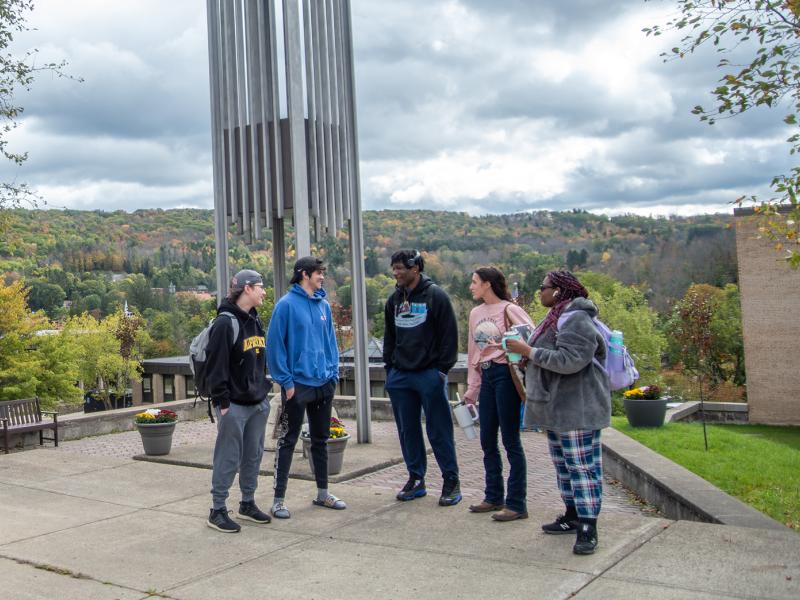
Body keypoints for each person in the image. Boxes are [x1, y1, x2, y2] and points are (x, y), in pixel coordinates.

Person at [504, 270, 611, 555]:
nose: (540, 292)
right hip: (555, 408)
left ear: (559, 291)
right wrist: (526, 355)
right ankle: (573, 515)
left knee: (582, 467)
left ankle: (588, 526)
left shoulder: (576, 318)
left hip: (578, 407)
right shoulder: (556, 316)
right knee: (564, 466)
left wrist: (528, 351)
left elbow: (572, 360)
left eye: (544, 287)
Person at [266, 256, 345, 519]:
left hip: (324, 384)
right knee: (288, 441)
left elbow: (330, 342)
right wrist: (286, 383)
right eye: (318, 272)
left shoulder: (323, 305)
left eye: (323, 272)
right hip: (297, 386)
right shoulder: (285, 306)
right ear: (304, 274)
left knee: (320, 441)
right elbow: (275, 346)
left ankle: (323, 493)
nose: (322, 276)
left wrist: (333, 373)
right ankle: (278, 500)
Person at [383, 249, 462, 506]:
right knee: (408, 431)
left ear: (415, 268)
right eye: (393, 268)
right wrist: (390, 370)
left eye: (400, 268)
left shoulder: (435, 296)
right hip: (401, 376)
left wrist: (441, 371)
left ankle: (451, 481)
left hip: (429, 374)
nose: (396, 273)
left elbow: (449, 336)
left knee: (439, 430)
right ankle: (416, 479)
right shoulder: (394, 300)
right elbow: (390, 338)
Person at [463, 267, 535, 522]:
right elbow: (473, 351)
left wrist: (506, 344)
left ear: (487, 284)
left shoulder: (509, 309)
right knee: (486, 438)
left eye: (474, 282)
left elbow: (530, 337)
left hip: (505, 374)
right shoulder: (475, 314)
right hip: (486, 375)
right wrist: (472, 389)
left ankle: (517, 503)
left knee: (510, 440)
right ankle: (493, 496)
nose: (471, 287)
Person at [206, 269, 272, 533]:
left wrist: (263, 392)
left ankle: (247, 502)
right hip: (232, 404)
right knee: (228, 457)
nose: (264, 291)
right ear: (246, 289)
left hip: (256, 401)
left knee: (253, 456)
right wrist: (223, 401)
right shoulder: (224, 323)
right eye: (260, 286)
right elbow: (216, 366)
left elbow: (258, 360)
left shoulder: (254, 320)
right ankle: (218, 509)